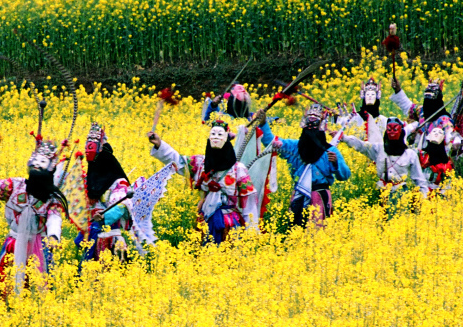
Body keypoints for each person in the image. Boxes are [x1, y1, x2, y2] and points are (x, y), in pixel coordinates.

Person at [0, 138, 66, 295]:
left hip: (39, 245)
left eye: (41, 168)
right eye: (34, 166)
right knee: (8, 283)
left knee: (39, 286)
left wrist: (53, 237)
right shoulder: (16, 185)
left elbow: (54, 218)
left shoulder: (51, 198)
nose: (36, 170)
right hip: (14, 242)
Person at [147, 116, 255, 244]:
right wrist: (160, 144)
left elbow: (249, 201)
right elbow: (179, 162)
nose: (216, 137)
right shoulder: (200, 163)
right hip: (206, 221)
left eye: (220, 134)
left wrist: (251, 231)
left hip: (229, 224)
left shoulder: (238, 170)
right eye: (213, 134)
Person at [252, 103, 351, 228]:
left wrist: (336, 163)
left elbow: (345, 175)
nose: (311, 132)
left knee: (317, 232)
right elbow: (270, 141)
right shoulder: (294, 147)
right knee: (296, 228)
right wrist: (263, 123)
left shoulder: (330, 151)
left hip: (319, 195)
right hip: (299, 193)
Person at [205, 84, 278, 232]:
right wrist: (212, 106)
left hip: (239, 169)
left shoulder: (249, 117)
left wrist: (270, 120)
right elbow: (210, 120)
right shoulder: (225, 119)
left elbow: (267, 120)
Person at [339, 116, 430, 205]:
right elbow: (361, 146)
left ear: (401, 132)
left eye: (395, 129)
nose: (392, 133)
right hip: (381, 191)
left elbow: (419, 179)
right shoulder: (378, 148)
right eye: (389, 130)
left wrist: (424, 199)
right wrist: (343, 137)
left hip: (401, 194)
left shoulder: (410, 154)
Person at [77, 123, 133, 263]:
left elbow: (121, 207)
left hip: (110, 240)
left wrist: (103, 217)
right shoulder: (88, 183)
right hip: (90, 239)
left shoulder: (119, 183)